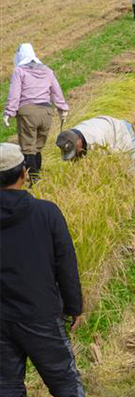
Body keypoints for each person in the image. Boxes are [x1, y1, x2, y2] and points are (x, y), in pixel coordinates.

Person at [0, 142, 85, 397]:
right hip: (41, 314)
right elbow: (65, 263)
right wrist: (74, 307)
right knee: (64, 382)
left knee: (6, 386)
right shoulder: (46, 213)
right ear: (24, 173)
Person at [3, 43, 69, 181]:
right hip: (46, 113)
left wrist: (9, 112)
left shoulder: (20, 71)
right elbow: (56, 91)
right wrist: (62, 108)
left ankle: (33, 179)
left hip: (28, 113)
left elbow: (15, 93)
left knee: (28, 148)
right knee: (38, 147)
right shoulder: (46, 70)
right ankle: (38, 175)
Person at [55, 114, 135, 187]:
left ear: (78, 142)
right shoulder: (70, 135)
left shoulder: (97, 140)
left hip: (122, 134)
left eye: (74, 152)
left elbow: (106, 166)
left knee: (131, 170)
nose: (74, 157)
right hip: (108, 129)